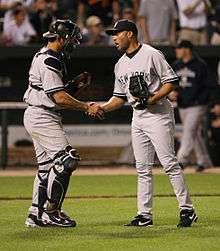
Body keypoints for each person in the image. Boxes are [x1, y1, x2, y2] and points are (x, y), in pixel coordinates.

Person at [100, 19, 197, 227]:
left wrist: (151, 99)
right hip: (138, 117)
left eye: (118, 33)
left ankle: (187, 209)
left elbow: (171, 81)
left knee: (169, 163)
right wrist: (102, 108)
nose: (114, 38)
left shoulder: (151, 54)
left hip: (159, 114)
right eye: (113, 34)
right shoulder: (120, 64)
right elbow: (119, 98)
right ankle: (144, 214)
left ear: (130, 34)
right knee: (142, 167)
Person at [23, 19, 103, 228]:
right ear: (61, 38)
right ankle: (51, 212)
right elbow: (58, 98)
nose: (74, 44)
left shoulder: (46, 55)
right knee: (67, 160)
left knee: (46, 167)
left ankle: (35, 214)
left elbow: (53, 92)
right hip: (42, 115)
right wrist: (87, 106)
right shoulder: (51, 60)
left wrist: (73, 86)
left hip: (39, 113)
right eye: (72, 39)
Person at [169, 40, 213, 172]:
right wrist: (171, 92)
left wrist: (205, 100)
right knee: (194, 134)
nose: (176, 51)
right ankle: (204, 161)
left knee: (188, 132)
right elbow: (170, 84)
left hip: (197, 105)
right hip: (183, 105)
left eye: (178, 48)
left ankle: (181, 160)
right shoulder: (176, 65)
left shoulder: (200, 65)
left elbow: (211, 85)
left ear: (186, 49)